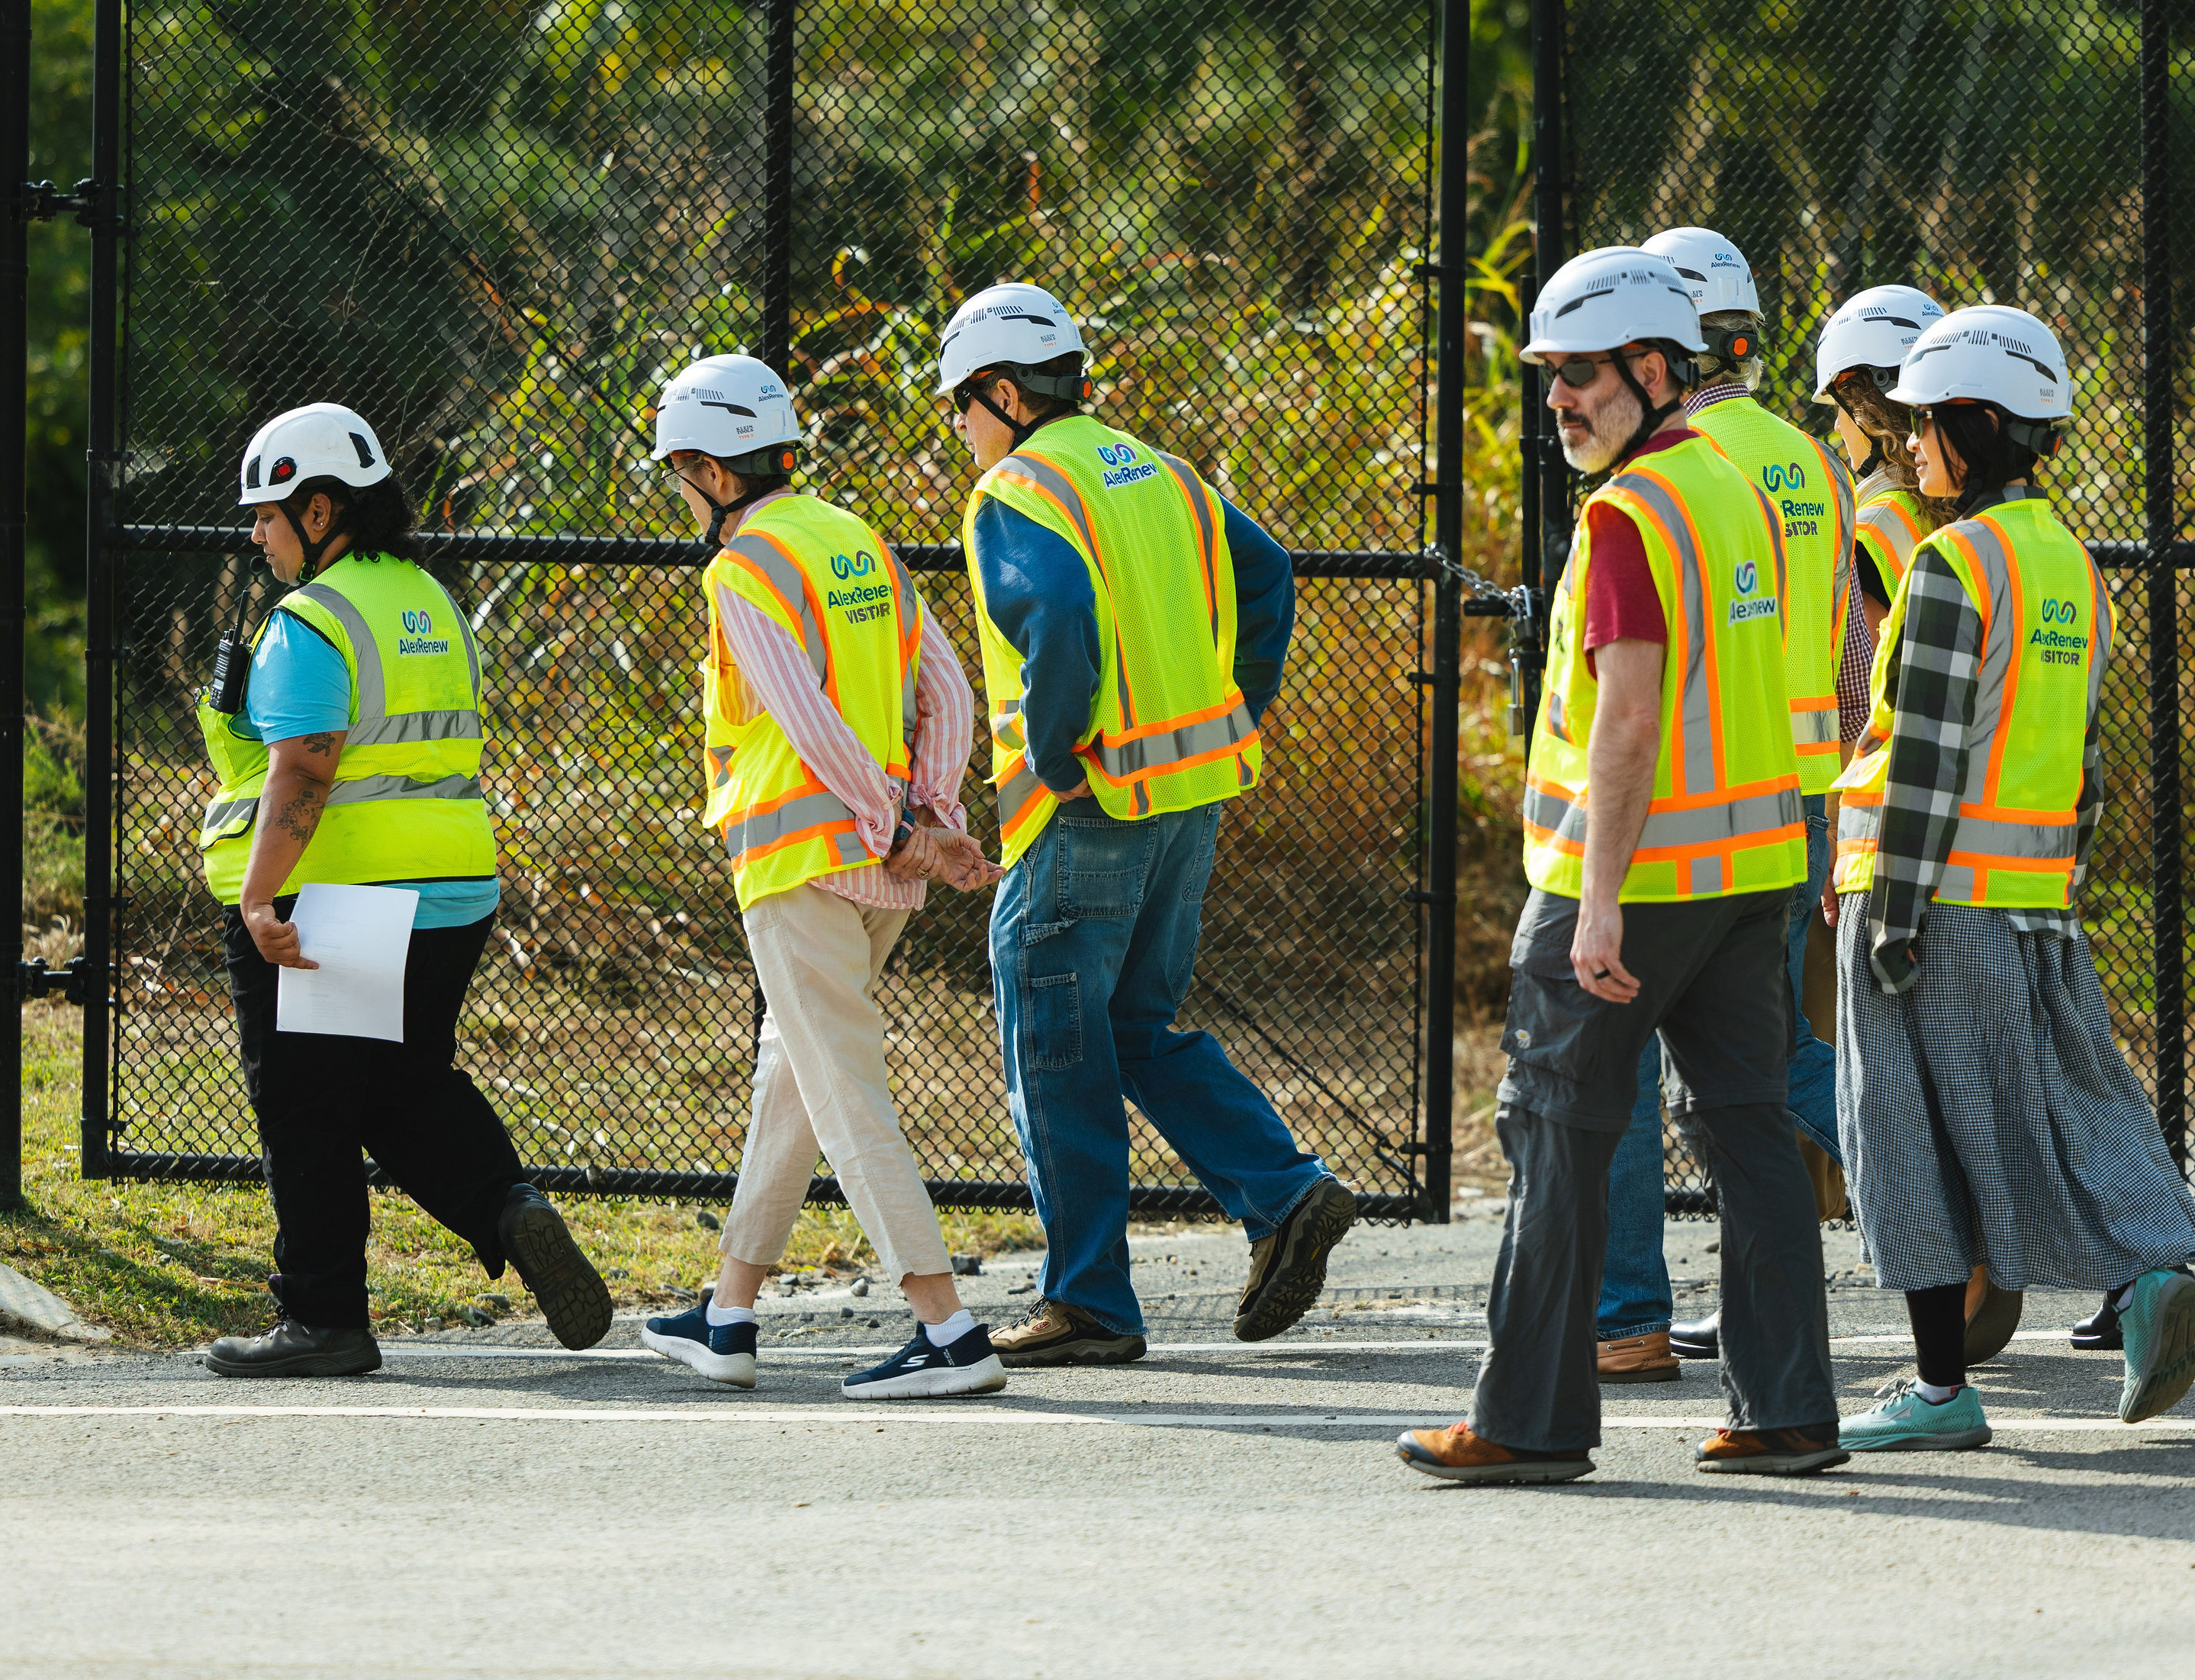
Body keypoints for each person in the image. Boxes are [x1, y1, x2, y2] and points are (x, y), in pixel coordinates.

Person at [1397, 248, 1843, 1485]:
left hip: (1639, 889)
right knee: (1749, 1135)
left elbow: (1630, 718)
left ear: (1654, 369)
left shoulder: (1629, 515)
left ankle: (1530, 1420)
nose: (1559, 402)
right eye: (1548, 380)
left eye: (1579, 376)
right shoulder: (1731, 486)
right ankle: (1788, 1409)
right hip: (1749, 877)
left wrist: (1593, 903)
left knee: (1553, 1127)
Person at [942, 282, 1355, 1366]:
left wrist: (1056, 751)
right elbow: (1268, 578)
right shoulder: (1159, 472)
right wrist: (1237, 707)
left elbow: (1062, 622)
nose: (961, 433)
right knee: (1133, 1029)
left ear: (1000, 392)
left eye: (960, 408)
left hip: (1085, 810)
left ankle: (1087, 1299)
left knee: (1057, 1047)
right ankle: (1285, 1192)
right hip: (1187, 800)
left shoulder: (1015, 492)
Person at [1828, 306, 2195, 1453]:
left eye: (1929, 425)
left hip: (1928, 902)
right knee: (2071, 1099)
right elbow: (2085, 761)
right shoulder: (2072, 569)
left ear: (1982, 427)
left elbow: (1927, 757)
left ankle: (1941, 1392)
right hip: (2032, 900)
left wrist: (1890, 916)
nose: (1911, 446)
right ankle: (2148, 1269)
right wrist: (2061, 881)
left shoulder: (1954, 562)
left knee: (1901, 1135)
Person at [195, 403, 610, 1377]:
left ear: (324, 509)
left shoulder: (310, 621)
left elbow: (305, 768)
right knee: (401, 1083)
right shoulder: (429, 601)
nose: (257, 536)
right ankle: (507, 1205)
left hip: (343, 899)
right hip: (456, 889)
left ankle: (324, 1316)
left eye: (270, 514)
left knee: (304, 1104)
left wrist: (260, 900)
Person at [629, 354, 1009, 1401]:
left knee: (839, 1087)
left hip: (804, 857)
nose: (681, 492)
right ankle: (729, 1313)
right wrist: (929, 810)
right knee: (793, 1080)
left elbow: (802, 715)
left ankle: (947, 1331)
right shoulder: (857, 541)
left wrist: (895, 825)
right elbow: (948, 685)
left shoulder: (742, 568)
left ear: (710, 467)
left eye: (681, 472)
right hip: (875, 864)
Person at [1585, 227, 1855, 1383]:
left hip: (1680, 802)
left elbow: (1631, 686)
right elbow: (1851, 648)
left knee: (1626, 1058)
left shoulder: (1670, 470)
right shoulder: (1814, 462)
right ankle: (1966, 1222)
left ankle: (1625, 1311)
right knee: (1770, 1057)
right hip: (1792, 797)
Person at [1817, 283, 2032, 1363]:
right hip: (2007, 833)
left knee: (1884, 1087)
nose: (1849, 426)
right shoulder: (1983, 530)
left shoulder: (1887, 527)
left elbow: (1879, 691)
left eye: (1848, 406)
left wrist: (1857, 838)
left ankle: (1951, 1317)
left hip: (1905, 836)